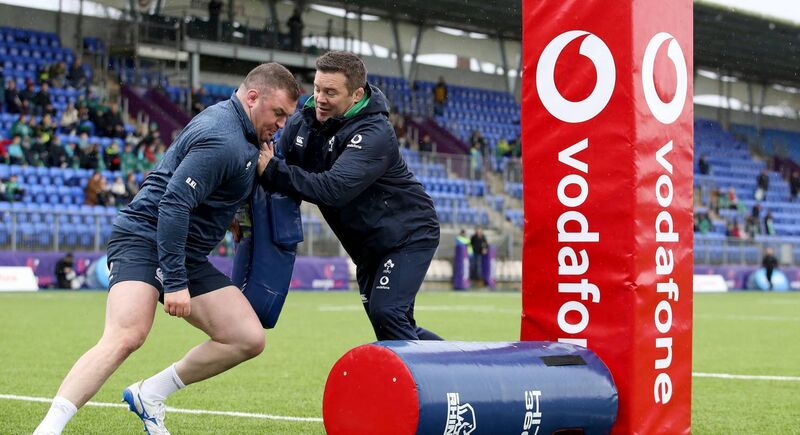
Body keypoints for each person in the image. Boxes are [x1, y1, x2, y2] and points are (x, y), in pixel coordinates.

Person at [32, 63, 299, 435]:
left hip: (184, 249)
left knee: (247, 337)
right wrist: (174, 282)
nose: (282, 124)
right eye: (279, 113)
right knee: (127, 334)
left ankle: (150, 394)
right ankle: (48, 429)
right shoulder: (223, 137)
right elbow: (173, 204)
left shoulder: (244, 133)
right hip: (145, 236)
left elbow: (214, 188)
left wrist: (234, 216)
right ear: (253, 98)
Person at [256, 51, 442, 341]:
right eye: (317, 88)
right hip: (366, 247)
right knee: (394, 326)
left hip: (408, 235)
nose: (320, 98)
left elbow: (333, 190)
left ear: (356, 95)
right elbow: (271, 159)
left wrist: (273, 171)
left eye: (330, 92)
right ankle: (463, 372)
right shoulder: (302, 122)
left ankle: (445, 379)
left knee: (388, 314)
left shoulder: (374, 131)